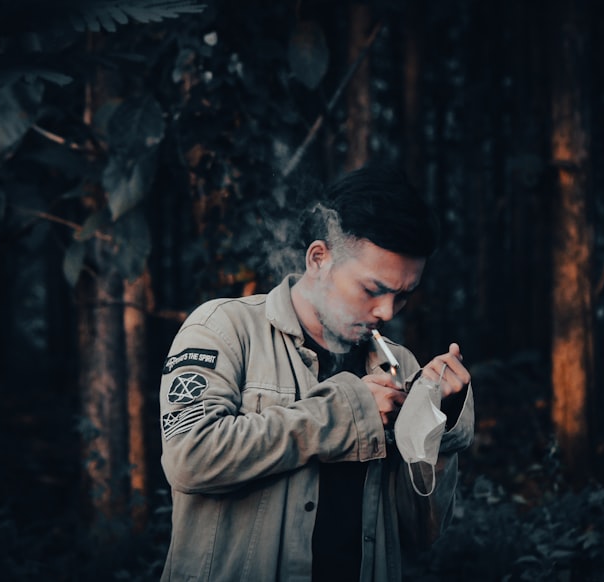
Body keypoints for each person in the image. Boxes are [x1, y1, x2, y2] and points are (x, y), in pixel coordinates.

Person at [158, 165, 475, 581]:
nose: (385, 312)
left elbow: (420, 533)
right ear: (319, 258)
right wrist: (348, 412)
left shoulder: (400, 367)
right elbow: (190, 459)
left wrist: (437, 424)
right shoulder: (222, 329)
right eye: (372, 289)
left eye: (402, 296)